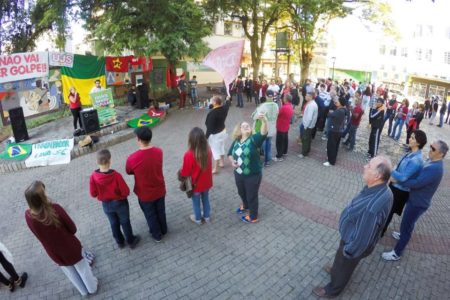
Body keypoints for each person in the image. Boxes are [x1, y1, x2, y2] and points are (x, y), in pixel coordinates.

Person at [313, 156, 393, 298]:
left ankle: (333, 289)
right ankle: (336, 270)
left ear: (377, 175)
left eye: (369, 166)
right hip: (350, 236)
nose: (364, 166)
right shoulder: (384, 189)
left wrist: (348, 252)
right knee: (340, 260)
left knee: (345, 264)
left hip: (352, 243)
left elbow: (362, 241)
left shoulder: (371, 208)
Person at [25, 181, 98, 297]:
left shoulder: (28, 216)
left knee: (70, 272)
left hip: (54, 252)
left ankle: (83, 292)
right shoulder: (55, 209)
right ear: (42, 197)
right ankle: (92, 288)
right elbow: (73, 229)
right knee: (83, 269)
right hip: (70, 247)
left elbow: (37, 234)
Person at [382, 140, 447, 261]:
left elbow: (417, 183)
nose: (430, 150)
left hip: (418, 203)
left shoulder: (435, 168)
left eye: (433, 149)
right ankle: (402, 235)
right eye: (431, 147)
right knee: (407, 224)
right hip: (416, 199)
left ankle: (397, 252)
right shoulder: (432, 161)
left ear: (441, 154)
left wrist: (399, 180)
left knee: (407, 225)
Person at [89, 149, 141, 249]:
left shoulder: (93, 177)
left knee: (113, 223)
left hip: (106, 205)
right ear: (110, 161)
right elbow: (126, 191)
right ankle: (131, 241)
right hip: (120, 203)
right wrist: (120, 197)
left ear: (97, 162)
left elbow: (93, 194)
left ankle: (120, 242)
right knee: (125, 222)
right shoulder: (116, 176)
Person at [381, 130, 427, 237]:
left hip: (400, 191)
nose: (409, 139)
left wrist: (390, 169)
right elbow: (399, 168)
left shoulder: (416, 159)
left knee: (389, 212)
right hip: (395, 186)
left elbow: (403, 177)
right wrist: (394, 175)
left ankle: (380, 232)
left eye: (412, 138)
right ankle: (380, 229)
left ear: (418, 143)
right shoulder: (410, 152)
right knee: (387, 210)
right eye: (410, 136)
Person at [126, 127, 167, 242]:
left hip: (145, 193)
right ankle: (164, 229)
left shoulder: (132, 158)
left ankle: (157, 235)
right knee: (160, 211)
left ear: (138, 139)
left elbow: (128, 171)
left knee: (150, 214)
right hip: (159, 189)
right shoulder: (159, 151)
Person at [228, 113, 268, 223]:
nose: (246, 126)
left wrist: (264, 121)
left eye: (248, 125)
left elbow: (263, 132)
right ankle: (245, 206)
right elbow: (229, 154)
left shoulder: (254, 140)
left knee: (252, 196)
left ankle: (253, 216)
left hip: (253, 175)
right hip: (238, 173)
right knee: (241, 192)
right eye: (243, 126)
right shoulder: (236, 141)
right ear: (239, 130)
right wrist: (232, 162)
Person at [179, 127, 213, 224]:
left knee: (196, 203)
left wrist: (180, 173)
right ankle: (207, 217)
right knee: (206, 200)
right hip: (206, 183)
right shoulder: (208, 150)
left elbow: (185, 173)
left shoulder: (189, 154)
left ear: (191, 140)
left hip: (195, 185)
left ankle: (198, 219)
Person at [252, 89, 279, 166]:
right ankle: (268, 160)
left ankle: (263, 161)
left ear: (266, 96)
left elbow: (255, 117)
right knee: (269, 144)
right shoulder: (276, 105)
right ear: (273, 96)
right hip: (272, 128)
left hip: (264, 129)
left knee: (261, 145)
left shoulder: (263, 106)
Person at [205, 96, 229, 174]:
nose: (210, 102)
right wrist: (228, 99)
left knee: (215, 151)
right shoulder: (224, 109)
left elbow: (210, 128)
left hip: (215, 134)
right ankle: (221, 162)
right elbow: (227, 105)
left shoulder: (212, 113)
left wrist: (206, 137)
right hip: (223, 131)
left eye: (212, 101)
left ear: (215, 103)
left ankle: (216, 168)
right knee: (221, 147)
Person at [323, 97, 346, 167]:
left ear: (341, 103)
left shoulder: (340, 111)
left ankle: (331, 161)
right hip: (338, 130)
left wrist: (331, 112)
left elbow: (330, 115)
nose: (337, 102)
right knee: (335, 146)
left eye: (338, 101)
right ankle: (332, 158)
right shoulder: (343, 109)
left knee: (331, 146)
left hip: (335, 130)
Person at [273, 94, 294, 162]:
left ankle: (279, 156)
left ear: (286, 99)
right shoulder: (290, 106)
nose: (283, 99)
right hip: (286, 126)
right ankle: (284, 152)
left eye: (284, 98)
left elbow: (278, 114)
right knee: (285, 140)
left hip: (281, 126)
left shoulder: (284, 107)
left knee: (279, 142)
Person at [298, 91, 318, 158]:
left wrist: (306, 126)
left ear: (311, 97)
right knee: (308, 139)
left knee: (305, 139)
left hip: (308, 125)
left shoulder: (311, 105)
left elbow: (309, 117)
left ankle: (304, 153)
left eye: (307, 96)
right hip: (310, 125)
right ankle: (307, 151)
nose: (305, 97)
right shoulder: (311, 103)